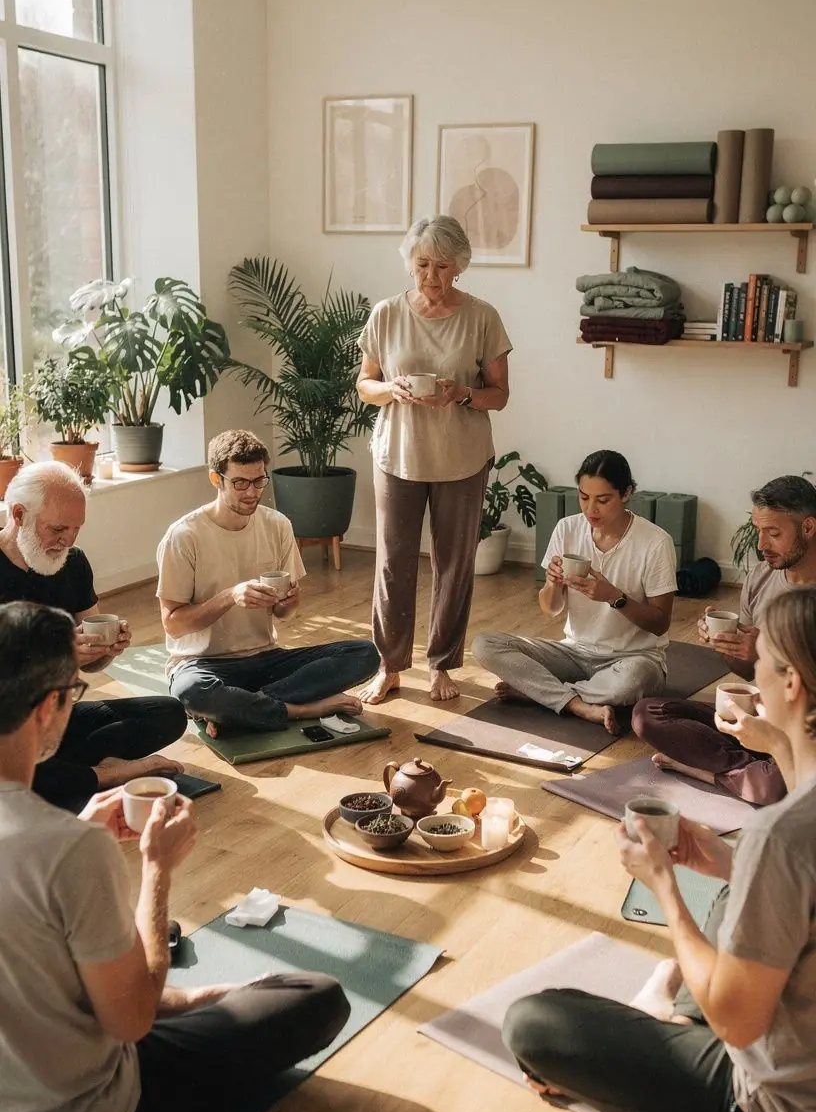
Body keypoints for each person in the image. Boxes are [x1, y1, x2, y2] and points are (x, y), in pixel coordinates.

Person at [0, 600, 350, 1112]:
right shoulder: (69, 851)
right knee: (315, 995)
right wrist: (156, 870)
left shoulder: (63, 843)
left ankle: (200, 1000)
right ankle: (207, 999)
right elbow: (131, 1022)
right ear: (47, 708)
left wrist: (77, 833)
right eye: (74, 692)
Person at [503, 586, 816, 1112]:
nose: (753, 674)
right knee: (740, 877)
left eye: (763, 661)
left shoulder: (784, 835)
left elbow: (738, 1024)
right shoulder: (787, 828)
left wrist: (666, 887)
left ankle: (660, 1011)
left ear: (793, 684)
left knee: (534, 1024)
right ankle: (673, 1002)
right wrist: (728, 860)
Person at [355, 214, 511, 705]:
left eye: (442, 266)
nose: (431, 276)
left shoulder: (482, 316)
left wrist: (462, 394)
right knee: (393, 564)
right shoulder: (386, 313)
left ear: (459, 267)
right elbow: (365, 386)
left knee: (454, 564)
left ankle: (443, 663)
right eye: (422, 264)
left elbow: (500, 395)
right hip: (397, 454)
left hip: (461, 457)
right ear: (410, 263)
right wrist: (392, 389)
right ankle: (389, 665)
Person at [157, 429, 378, 735]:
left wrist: (288, 604)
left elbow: (283, 615)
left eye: (259, 481)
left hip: (265, 658)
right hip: (203, 664)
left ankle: (239, 708)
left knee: (365, 654)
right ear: (215, 479)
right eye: (240, 483)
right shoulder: (184, 536)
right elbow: (173, 625)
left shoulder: (277, 525)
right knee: (193, 691)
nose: (251, 492)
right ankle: (299, 708)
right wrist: (229, 597)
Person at [0, 461, 186, 812]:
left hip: (54, 717)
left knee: (169, 712)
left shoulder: (72, 562)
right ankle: (106, 775)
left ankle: (62, 775)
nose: (67, 540)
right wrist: (63, 657)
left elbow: (95, 658)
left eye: (76, 529)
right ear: (19, 514)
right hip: (5, 724)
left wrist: (109, 649)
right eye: (58, 528)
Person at [632, 474, 816, 804]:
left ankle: (706, 770)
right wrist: (728, 646)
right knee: (648, 713)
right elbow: (749, 673)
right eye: (758, 530)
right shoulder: (762, 578)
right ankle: (756, 770)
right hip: (763, 711)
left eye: (773, 533)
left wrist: (764, 651)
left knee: (774, 786)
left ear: (808, 528)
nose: (761, 545)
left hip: (807, 728)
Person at [473, 450, 676, 734]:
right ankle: (578, 704)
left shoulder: (655, 542)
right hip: (574, 652)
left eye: (603, 500)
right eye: (584, 497)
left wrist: (613, 597)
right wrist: (553, 584)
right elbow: (551, 608)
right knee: (484, 644)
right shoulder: (566, 529)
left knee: (631, 683)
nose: (591, 509)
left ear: (627, 492)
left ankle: (540, 692)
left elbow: (660, 623)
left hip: (634, 659)